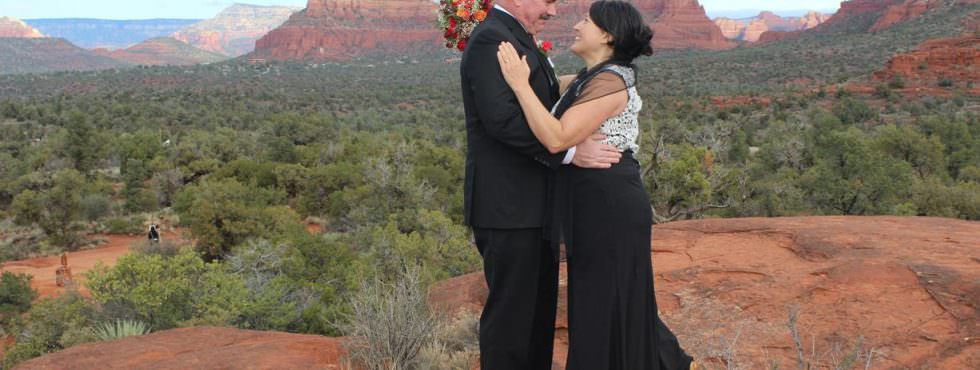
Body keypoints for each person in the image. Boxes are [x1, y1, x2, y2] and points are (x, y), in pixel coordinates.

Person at [495, 1, 696, 368]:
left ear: (606, 35)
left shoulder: (612, 80)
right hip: (592, 203)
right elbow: (553, 88)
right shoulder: (591, 76)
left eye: (585, 21)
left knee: (606, 301)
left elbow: (557, 138)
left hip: (610, 205)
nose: (576, 25)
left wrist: (520, 86)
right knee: (605, 300)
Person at [459, 0, 623, 368]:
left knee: (536, 318)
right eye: (548, 1)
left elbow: (543, 102)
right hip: (509, 208)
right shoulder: (492, 40)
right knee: (512, 322)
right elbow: (500, 120)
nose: (552, 11)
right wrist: (568, 152)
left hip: (534, 207)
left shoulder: (517, 37)